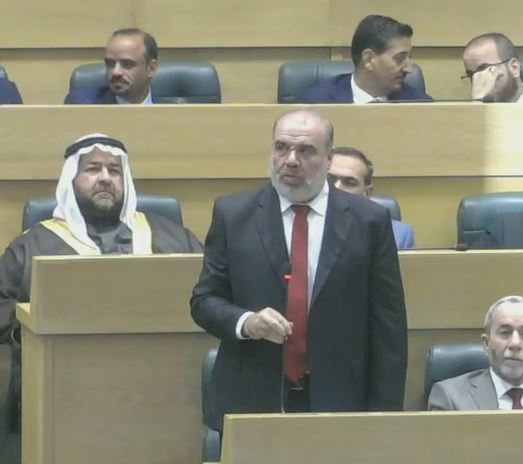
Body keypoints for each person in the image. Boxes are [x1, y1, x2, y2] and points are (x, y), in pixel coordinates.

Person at [191, 109, 407, 430]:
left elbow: (389, 325)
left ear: (329, 158)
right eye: (282, 148)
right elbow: (204, 301)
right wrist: (247, 322)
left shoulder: (369, 221)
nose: (291, 160)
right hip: (252, 398)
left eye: (305, 150)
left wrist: (385, 418)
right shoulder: (233, 214)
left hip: (343, 400)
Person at [0, 133, 202, 429]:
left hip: (167, 390)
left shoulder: (174, 237)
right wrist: (32, 325)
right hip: (64, 393)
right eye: (93, 169)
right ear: (71, 179)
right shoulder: (32, 245)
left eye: (114, 170)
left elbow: (213, 292)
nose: (105, 178)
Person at [299, 14, 431, 103]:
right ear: (369, 60)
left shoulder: (421, 104)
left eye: (409, 57)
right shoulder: (317, 103)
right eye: (400, 58)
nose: (409, 68)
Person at [328, 146, 415, 248]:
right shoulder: (311, 224)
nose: (337, 187)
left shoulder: (397, 236)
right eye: (329, 179)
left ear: (367, 192)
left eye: (349, 183)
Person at [64, 28, 158, 104]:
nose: (115, 72)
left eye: (127, 64)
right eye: (110, 64)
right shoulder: (80, 104)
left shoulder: (166, 108)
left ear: (151, 68)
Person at [462, 33, 523, 103]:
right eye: (471, 75)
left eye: (486, 71)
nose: (478, 82)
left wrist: (479, 101)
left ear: (514, 68)